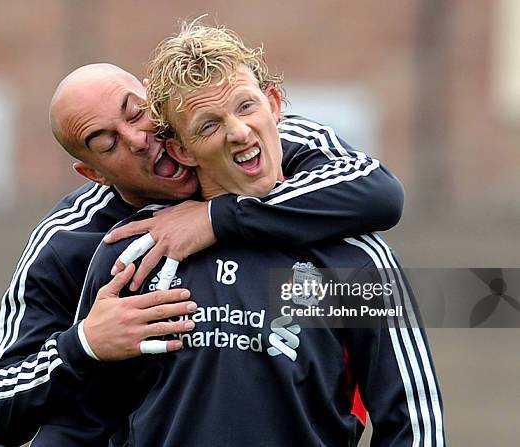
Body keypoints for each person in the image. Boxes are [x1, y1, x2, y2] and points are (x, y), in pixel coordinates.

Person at [33, 21, 445, 446]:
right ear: (181, 150)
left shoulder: (352, 259)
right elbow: (77, 426)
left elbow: (414, 421)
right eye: (207, 125)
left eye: (246, 107)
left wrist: (217, 219)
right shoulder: (135, 255)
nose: (239, 132)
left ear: (274, 105)